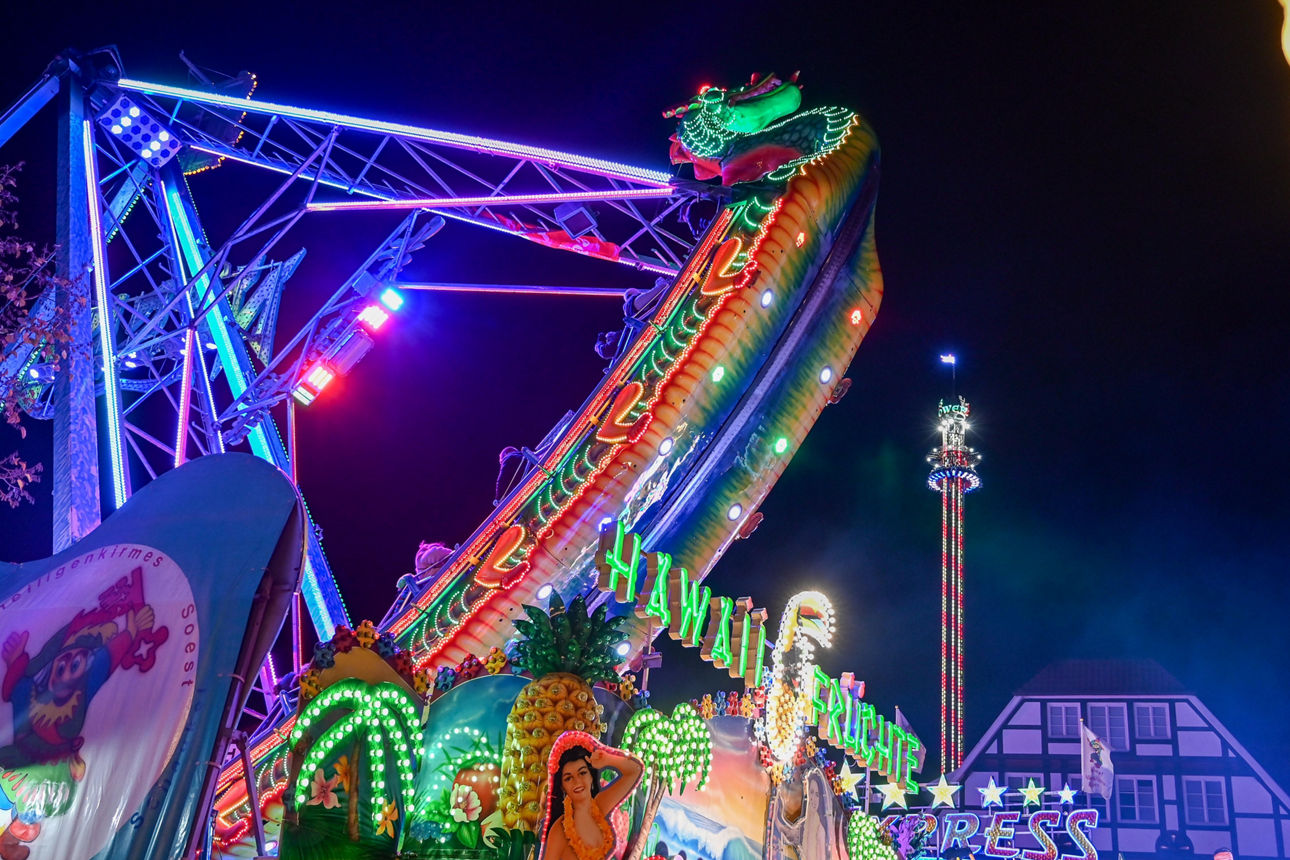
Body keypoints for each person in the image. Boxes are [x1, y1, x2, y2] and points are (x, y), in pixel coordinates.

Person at [541, 742, 642, 860]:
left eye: (582, 773)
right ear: (563, 787)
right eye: (568, 778)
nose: (577, 781)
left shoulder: (600, 805)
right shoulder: (559, 829)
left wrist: (608, 760)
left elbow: (635, 771)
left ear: (591, 777)